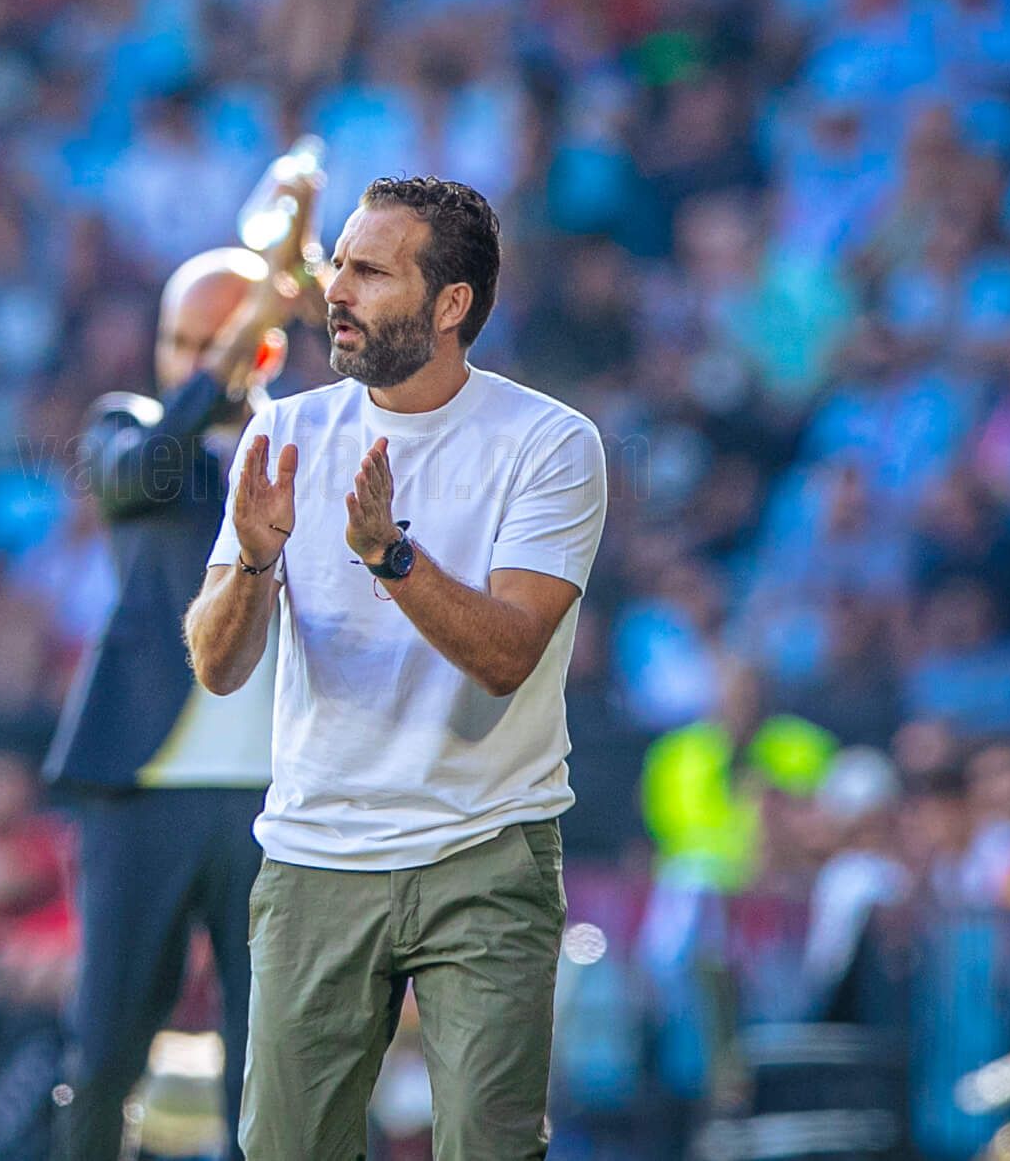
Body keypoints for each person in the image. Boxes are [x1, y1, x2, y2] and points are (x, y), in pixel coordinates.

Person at [184, 175, 609, 1159]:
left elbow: (507, 653)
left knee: (489, 1147)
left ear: (448, 303)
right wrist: (252, 558)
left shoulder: (549, 442)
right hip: (312, 854)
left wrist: (389, 555)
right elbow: (217, 663)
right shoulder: (284, 431)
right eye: (336, 262)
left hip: (486, 848)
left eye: (369, 271)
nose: (333, 287)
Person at [45, 187, 321, 1159]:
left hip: (270, 797)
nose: (193, 357)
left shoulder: (306, 440)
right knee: (107, 1044)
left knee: (270, 1059)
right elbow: (144, 470)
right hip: (142, 791)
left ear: (266, 348)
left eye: (223, 337)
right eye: (182, 337)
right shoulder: (125, 426)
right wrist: (244, 327)